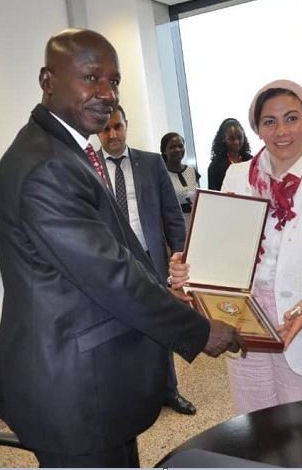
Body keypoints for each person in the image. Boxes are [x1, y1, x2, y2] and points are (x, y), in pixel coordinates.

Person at [0, 28, 245, 468]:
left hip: (93, 378)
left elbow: (120, 256)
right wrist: (199, 330)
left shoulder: (65, 152)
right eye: (91, 77)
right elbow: (112, 277)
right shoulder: (48, 165)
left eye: (114, 80)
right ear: (47, 80)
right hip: (73, 387)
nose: (106, 93)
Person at [170, 79, 302, 415]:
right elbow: (219, 246)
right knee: (257, 426)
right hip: (245, 322)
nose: (281, 131)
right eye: (269, 122)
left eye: (291, 118)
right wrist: (189, 270)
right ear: (257, 129)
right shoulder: (237, 175)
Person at [98, 103, 197, 415]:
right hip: (112, 265)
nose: (112, 134)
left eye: (117, 126)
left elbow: (171, 216)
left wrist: (180, 256)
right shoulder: (87, 168)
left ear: (126, 125)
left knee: (160, 325)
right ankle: (130, 393)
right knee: (118, 329)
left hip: (151, 260)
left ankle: (170, 390)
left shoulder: (152, 163)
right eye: (105, 128)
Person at [161, 132, 200, 225]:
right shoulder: (161, 174)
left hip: (195, 221)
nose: (178, 150)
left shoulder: (191, 171)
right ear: (164, 151)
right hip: (174, 224)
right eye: (172, 147)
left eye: (180, 146)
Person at [207, 118, 253, 190]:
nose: (237, 142)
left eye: (240, 137)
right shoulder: (215, 166)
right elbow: (213, 196)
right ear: (223, 139)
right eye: (232, 139)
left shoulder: (251, 161)